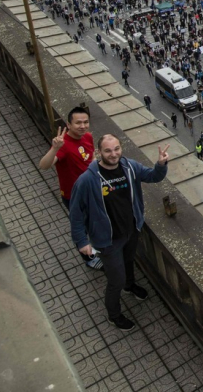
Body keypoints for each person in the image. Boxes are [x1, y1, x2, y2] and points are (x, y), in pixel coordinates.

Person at [70, 134, 169, 331]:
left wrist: (160, 164)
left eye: (116, 149)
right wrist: (81, 241)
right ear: (99, 152)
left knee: (129, 261)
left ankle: (130, 286)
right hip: (108, 239)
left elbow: (153, 177)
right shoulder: (87, 180)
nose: (113, 154)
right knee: (116, 280)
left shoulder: (129, 167)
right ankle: (114, 315)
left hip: (131, 230)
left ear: (121, 148)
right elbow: (76, 213)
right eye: (108, 150)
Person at [39, 106, 102, 270]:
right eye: (78, 123)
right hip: (73, 196)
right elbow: (44, 165)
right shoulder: (64, 145)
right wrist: (55, 148)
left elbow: (90, 156)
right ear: (68, 124)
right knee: (81, 227)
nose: (83, 126)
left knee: (94, 222)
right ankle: (89, 258)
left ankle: (97, 248)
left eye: (86, 122)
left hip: (91, 190)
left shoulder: (87, 136)